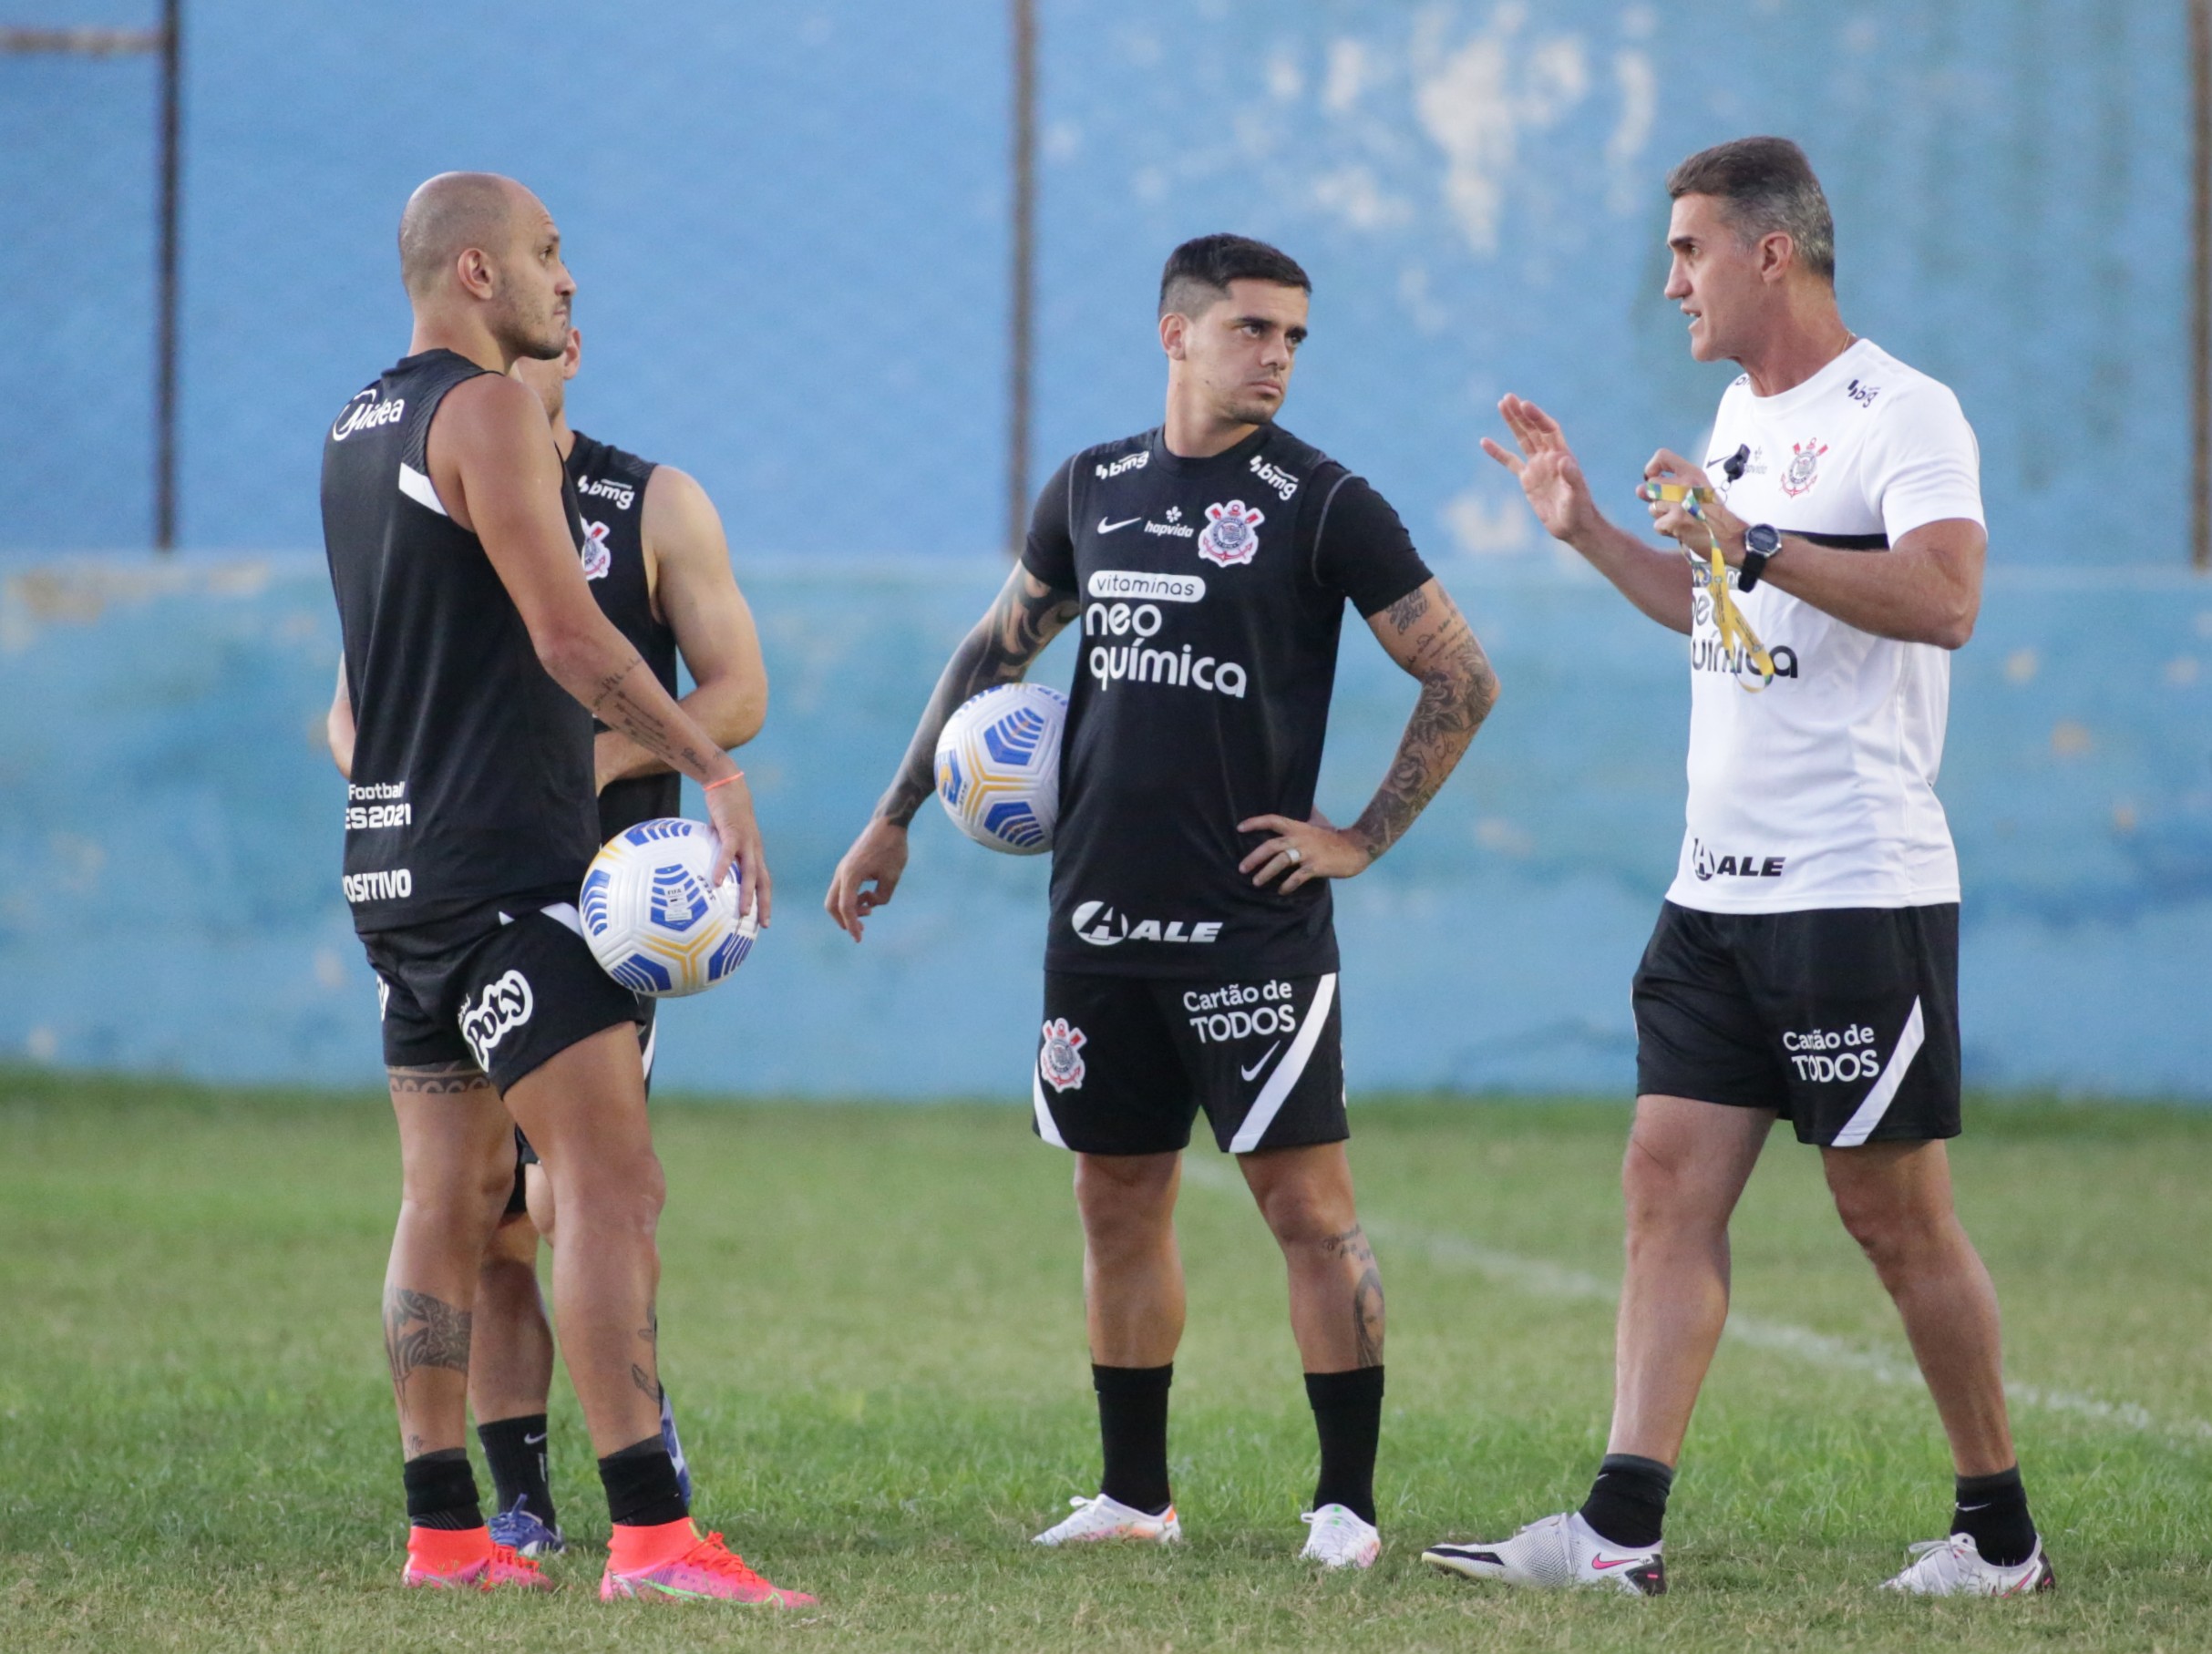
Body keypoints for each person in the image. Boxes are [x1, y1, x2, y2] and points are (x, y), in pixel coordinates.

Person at [1420, 137, 2051, 1598]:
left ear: (1774, 251)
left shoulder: (1908, 413)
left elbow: (1947, 602)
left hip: (1854, 886)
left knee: (1891, 1215)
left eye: (1689, 249)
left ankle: (1999, 1535)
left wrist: (1749, 534)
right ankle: (1618, 1535)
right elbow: (1719, 609)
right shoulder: (1734, 414)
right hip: (1714, 894)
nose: (1669, 281)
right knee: (1663, 1182)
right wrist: (1588, 532)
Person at [827, 233, 1499, 1570]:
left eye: (1297, 338)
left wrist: (1360, 835)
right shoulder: (1093, 487)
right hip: (1097, 926)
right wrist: (894, 814)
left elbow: (1463, 677)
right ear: (1175, 333)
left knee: (1308, 1211)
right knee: (1116, 1197)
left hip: (1251, 926)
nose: (1279, 359)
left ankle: (1346, 1510)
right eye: (1255, 330)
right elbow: (995, 645)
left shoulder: (1325, 503)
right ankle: (1136, 1495)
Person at [320, 170, 807, 1604]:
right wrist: (707, 768)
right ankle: (654, 1538)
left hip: (397, 869)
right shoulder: (481, 414)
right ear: (474, 272)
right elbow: (572, 636)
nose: (565, 278)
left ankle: (445, 1535)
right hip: (508, 872)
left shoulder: (360, 422)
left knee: (450, 1199)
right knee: (609, 1183)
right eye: (545, 253)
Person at [470, 324, 766, 1559]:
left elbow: (737, 689)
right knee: (480, 1207)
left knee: (573, 1190)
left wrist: (583, 766)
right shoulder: (434, 496)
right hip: (457, 885)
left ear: (563, 339)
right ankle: (520, 1497)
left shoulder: (650, 502)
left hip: (603, 908)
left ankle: (639, 1455)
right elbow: (348, 715)